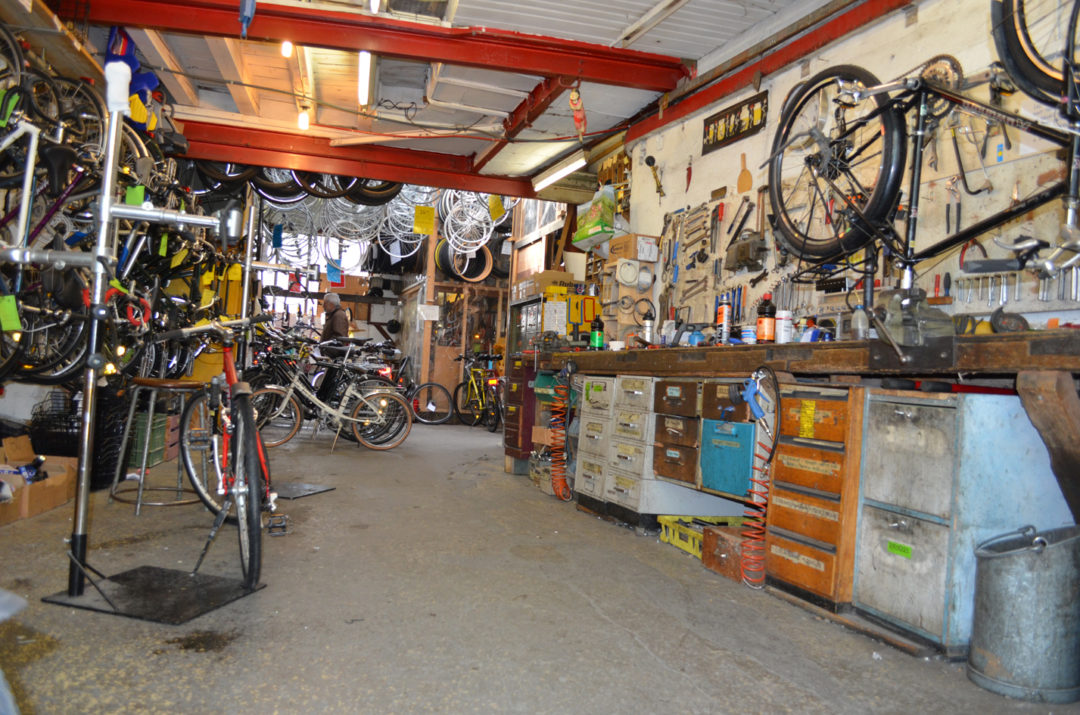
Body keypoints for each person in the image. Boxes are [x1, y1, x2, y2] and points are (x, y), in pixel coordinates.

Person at [315, 293, 349, 404]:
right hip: (331, 354)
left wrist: (326, 349)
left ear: (330, 304)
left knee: (329, 384)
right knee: (326, 383)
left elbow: (339, 338)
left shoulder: (339, 315)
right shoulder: (334, 314)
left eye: (325, 304)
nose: (323, 306)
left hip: (333, 355)